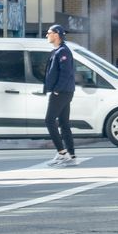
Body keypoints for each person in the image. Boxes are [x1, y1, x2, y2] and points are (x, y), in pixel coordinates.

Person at [43, 24, 79, 166]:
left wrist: (57, 89)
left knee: (49, 120)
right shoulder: (59, 51)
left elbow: (66, 73)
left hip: (62, 92)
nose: (47, 35)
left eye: (49, 33)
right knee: (64, 123)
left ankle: (62, 153)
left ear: (56, 35)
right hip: (65, 91)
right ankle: (71, 154)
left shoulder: (63, 52)